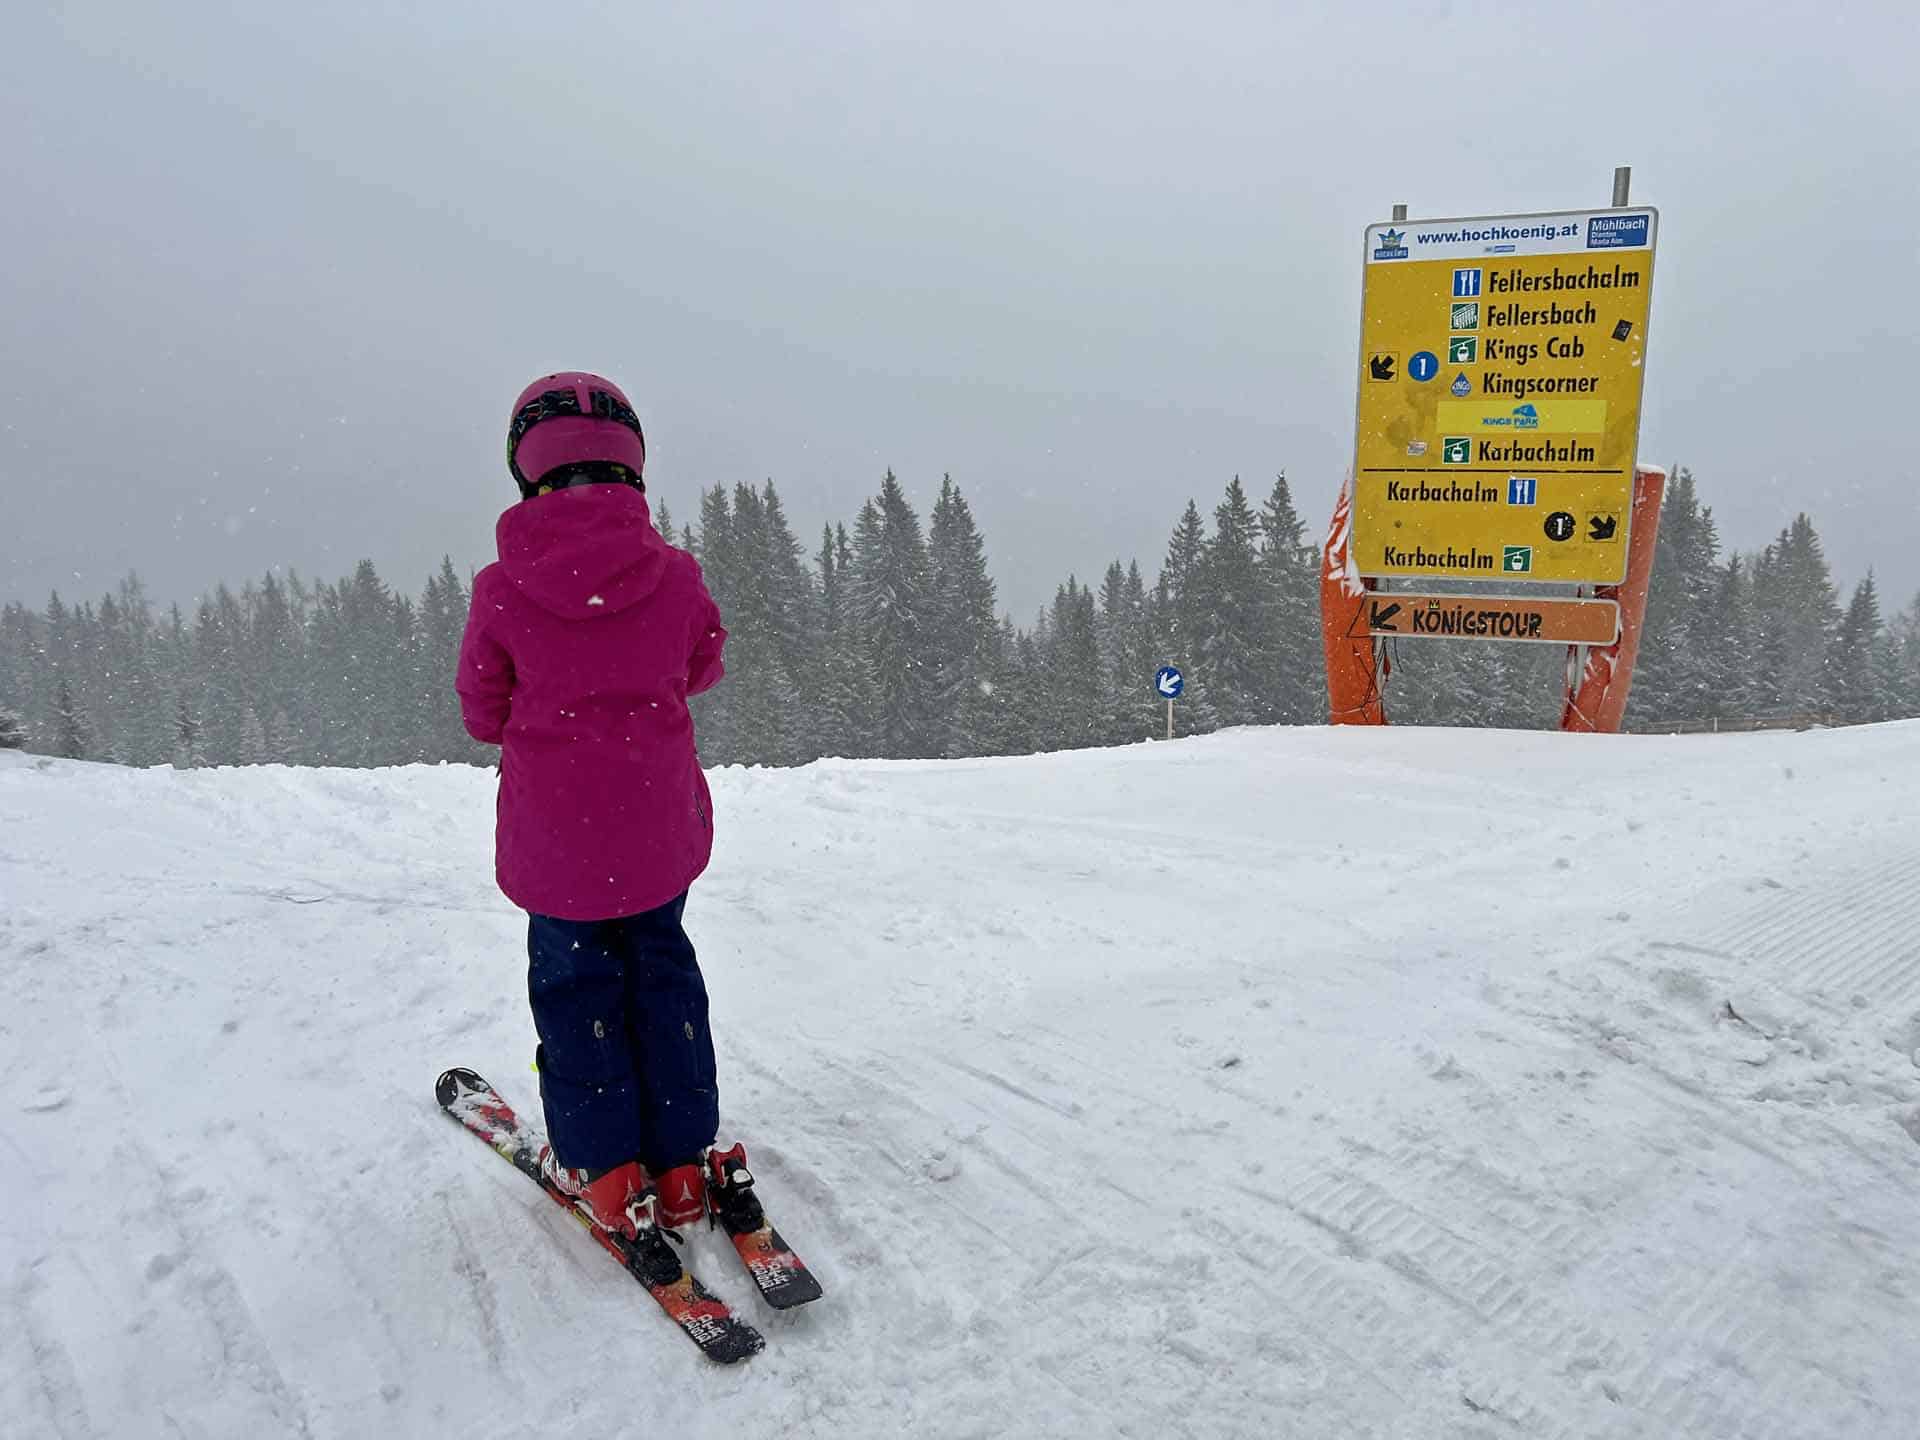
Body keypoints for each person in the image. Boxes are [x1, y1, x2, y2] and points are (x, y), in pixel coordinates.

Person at [456, 371, 733, 1238]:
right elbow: (703, 664)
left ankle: (608, 1176)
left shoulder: (503, 591)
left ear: (525, 469)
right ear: (633, 466)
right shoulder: (675, 577)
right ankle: (683, 1167)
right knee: (663, 978)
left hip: (558, 850)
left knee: (578, 995)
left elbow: (480, 711)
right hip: (656, 835)